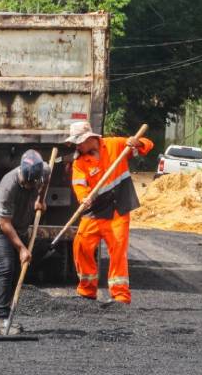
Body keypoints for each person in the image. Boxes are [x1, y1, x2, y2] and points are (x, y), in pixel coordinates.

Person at [66, 121, 153, 304]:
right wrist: (83, 198)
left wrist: (135, 143)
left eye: (79, 142)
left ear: (90, 138)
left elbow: (147, 145)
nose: (78, 146)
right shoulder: (79, 162)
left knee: (118, 250)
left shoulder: (115, 144)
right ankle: (87, 290)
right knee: (81, 244)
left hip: (118, 209)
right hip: (95, 211)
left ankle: (120, 295)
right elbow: (79, 185)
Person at [0, 150, 48, 335]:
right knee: (6, 266)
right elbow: (4, 223)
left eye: (32, 184)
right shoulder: (8, 185)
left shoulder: (44, 171)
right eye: (26, 183)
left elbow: (45, 183)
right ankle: (3, 321)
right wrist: (21, 248)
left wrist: (40, 200)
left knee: (18, 271)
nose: (29, 186)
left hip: (18, 227)